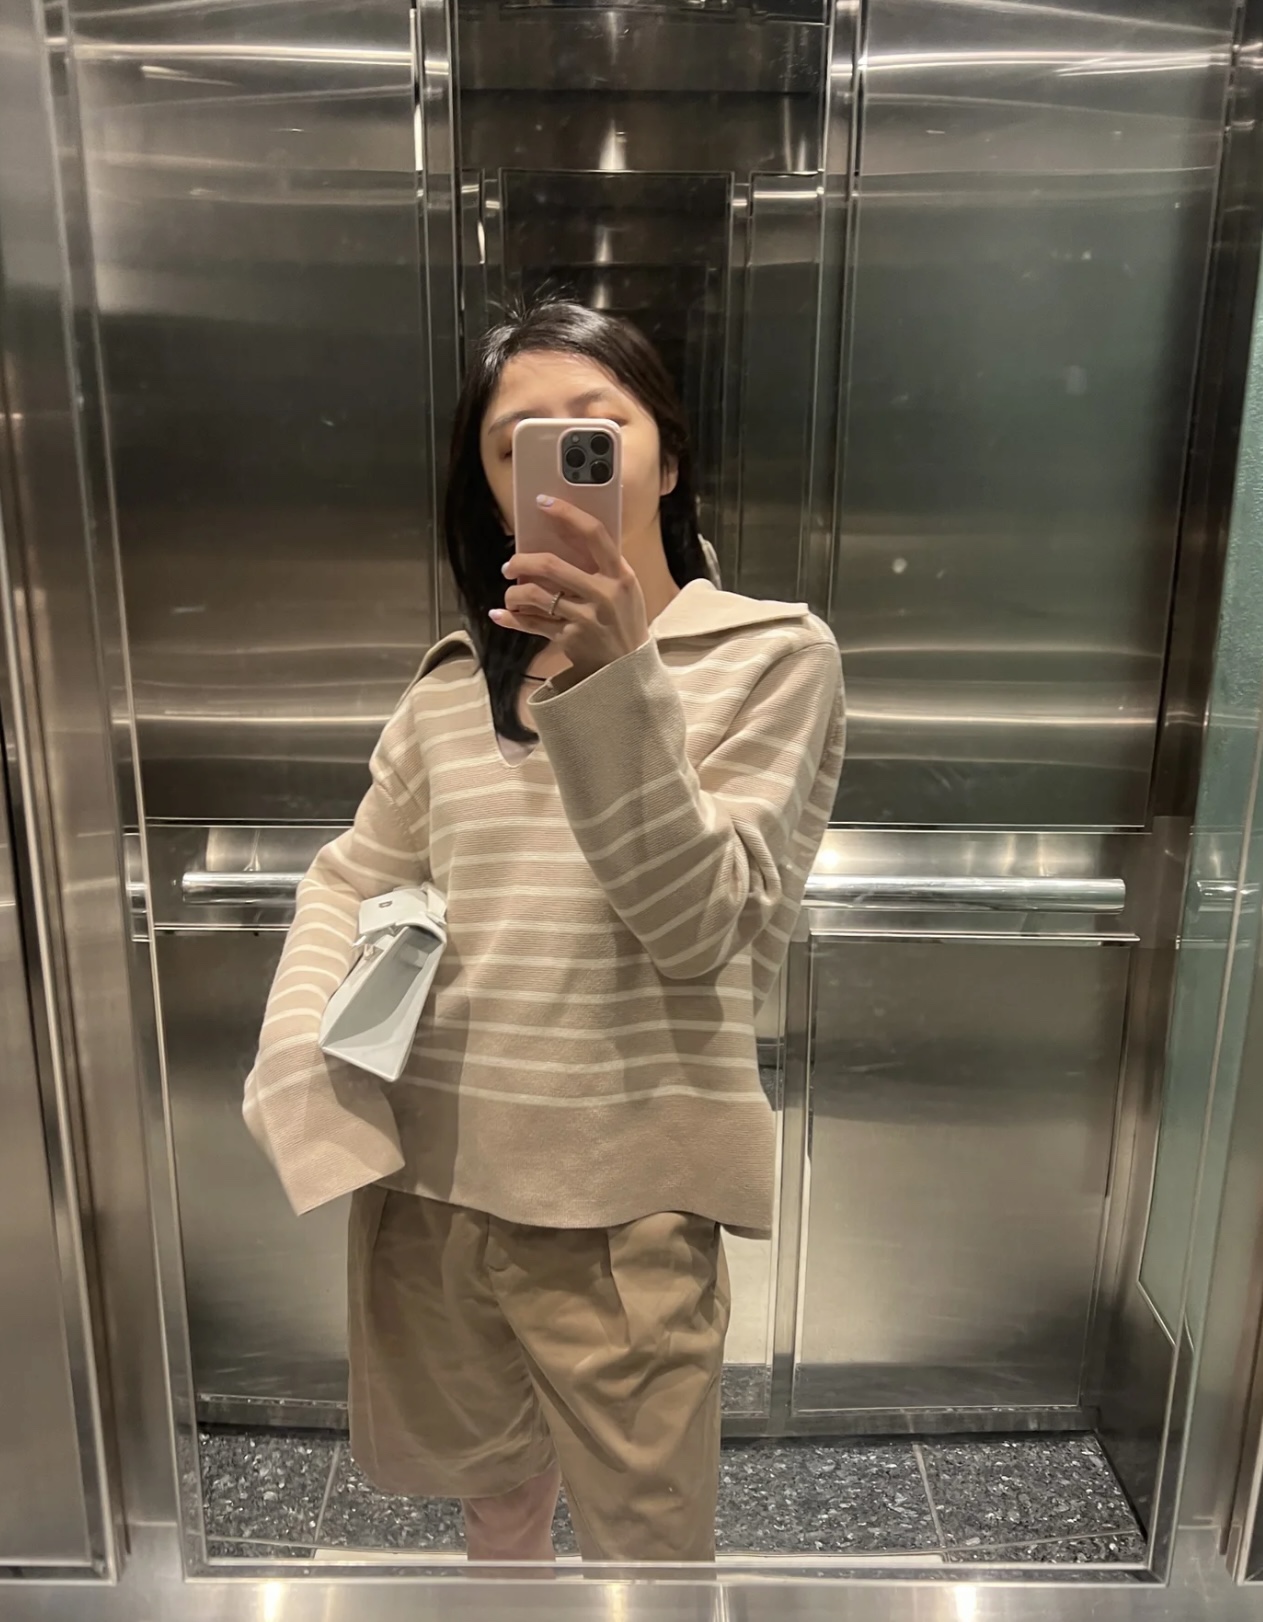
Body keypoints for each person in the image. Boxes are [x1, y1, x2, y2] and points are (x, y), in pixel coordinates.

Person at [243, 299, 845, 1565]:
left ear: (665, 460)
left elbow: (701, 924)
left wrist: (619, 679)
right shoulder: (454, 685)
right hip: (435, 1184)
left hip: (627, 1207)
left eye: (598, 428)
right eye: (520, 439)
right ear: (490, 480)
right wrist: (299, 1069)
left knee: (649, 1548)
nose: (563, 457)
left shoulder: (771, 657)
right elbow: (351, 879)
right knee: (494, 1509)